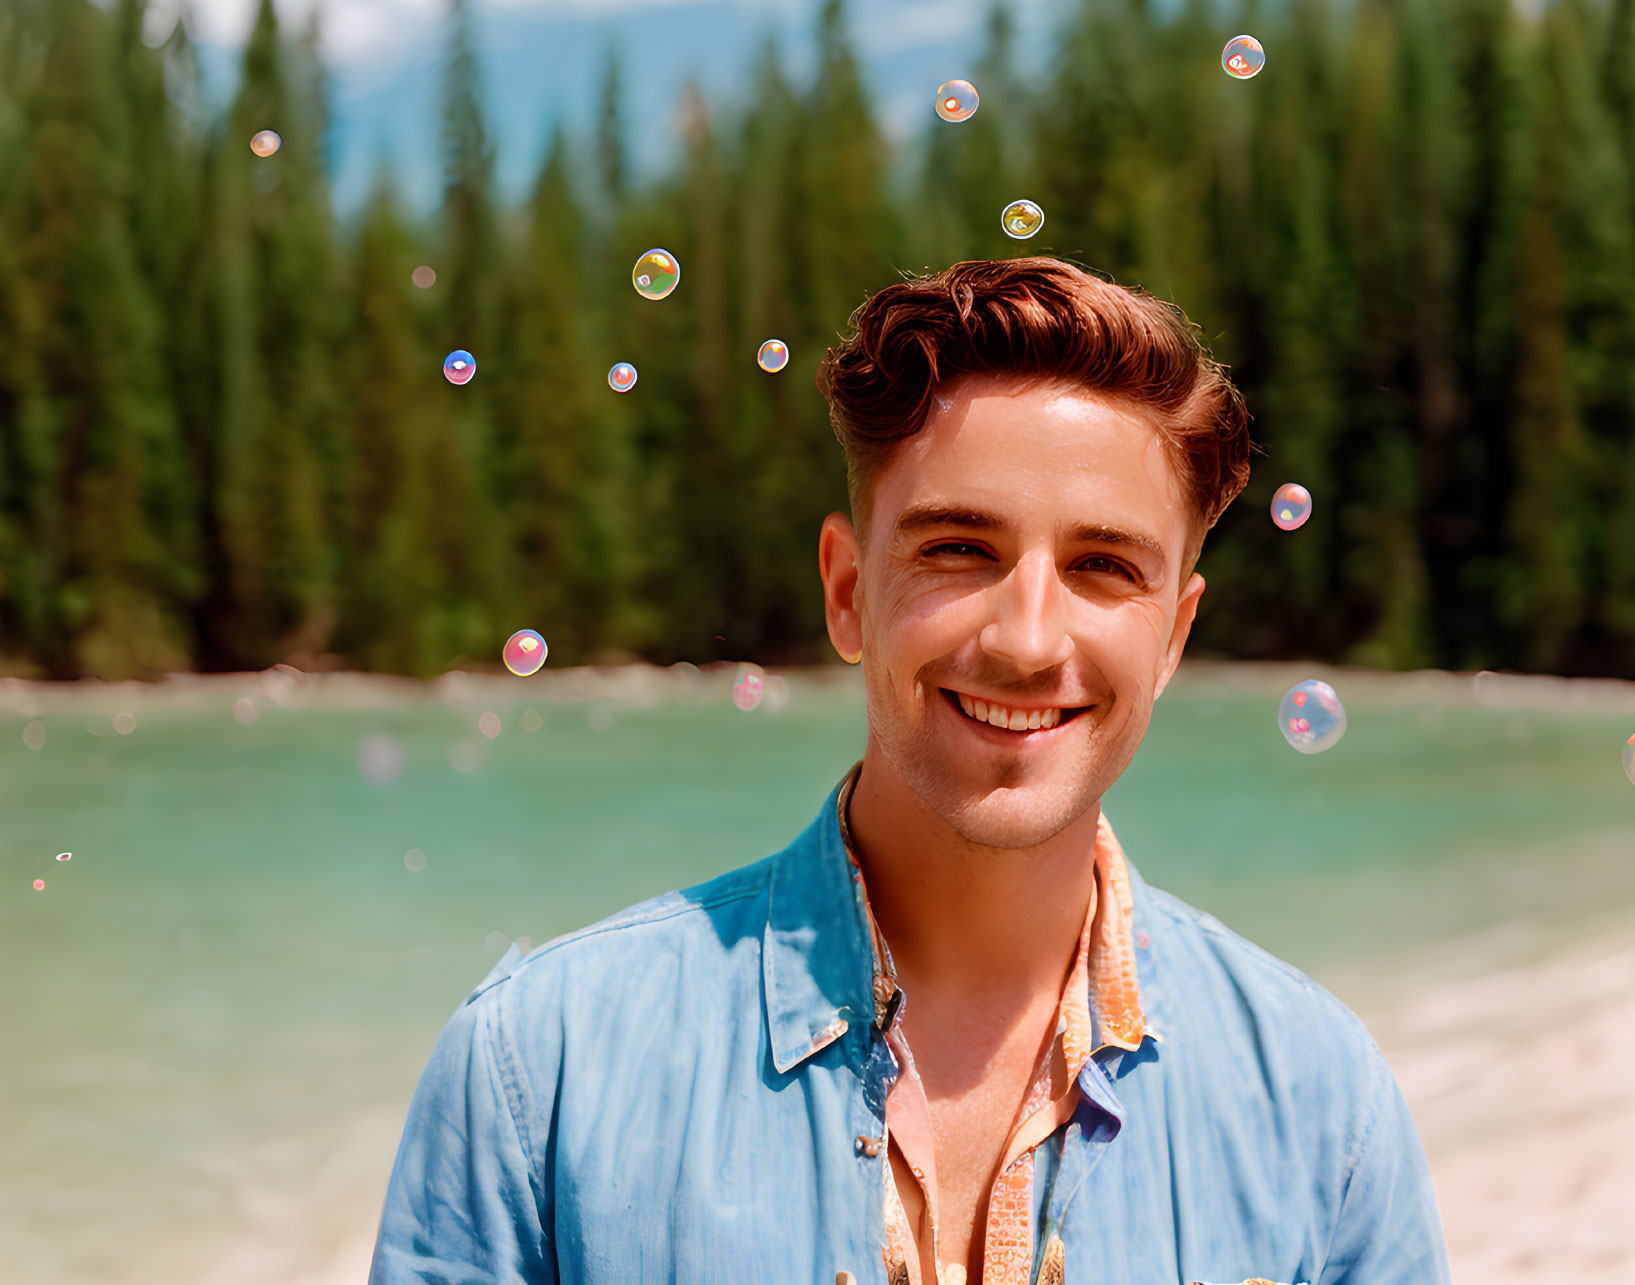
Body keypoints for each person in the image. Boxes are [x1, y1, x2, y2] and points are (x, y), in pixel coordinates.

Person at [367, 257, 1451, 1285]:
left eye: (1103, 566)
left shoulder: (1322, 1104)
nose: (1028, 640)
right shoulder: (537, 1072)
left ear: (1172, 635)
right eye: (958, 549)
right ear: (847, 590)